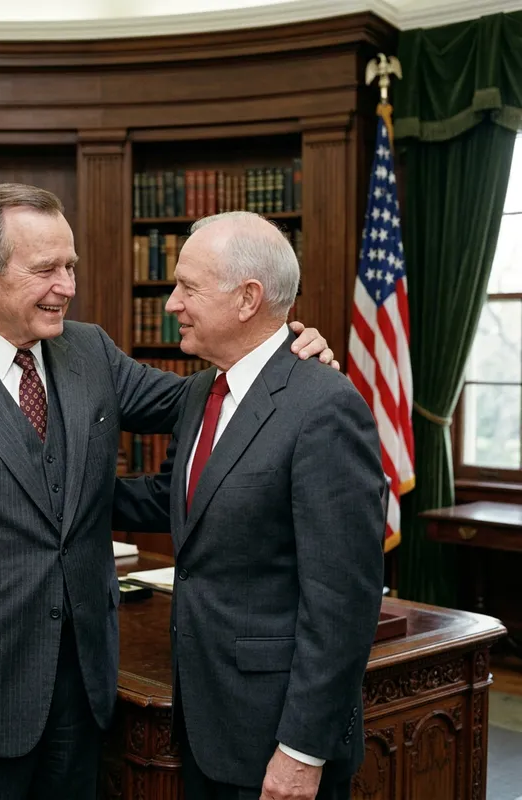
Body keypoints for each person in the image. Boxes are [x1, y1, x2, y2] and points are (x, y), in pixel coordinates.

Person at [0, 184, 335, 800]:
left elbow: (209, 397)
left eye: (70, 266)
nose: (67, 286)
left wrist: (283, 359)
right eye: (46, 269)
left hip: (83, 687)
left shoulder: (90, 351)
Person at [113, 211, 386, 800]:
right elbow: (182, 499)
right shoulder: (203, 391)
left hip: (279, 742)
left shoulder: (324, 408)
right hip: (210, 723)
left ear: (247, 298)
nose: (170, 304)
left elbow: (342, 605)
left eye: (187, 287)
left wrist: (301, 752)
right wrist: (55, 496)